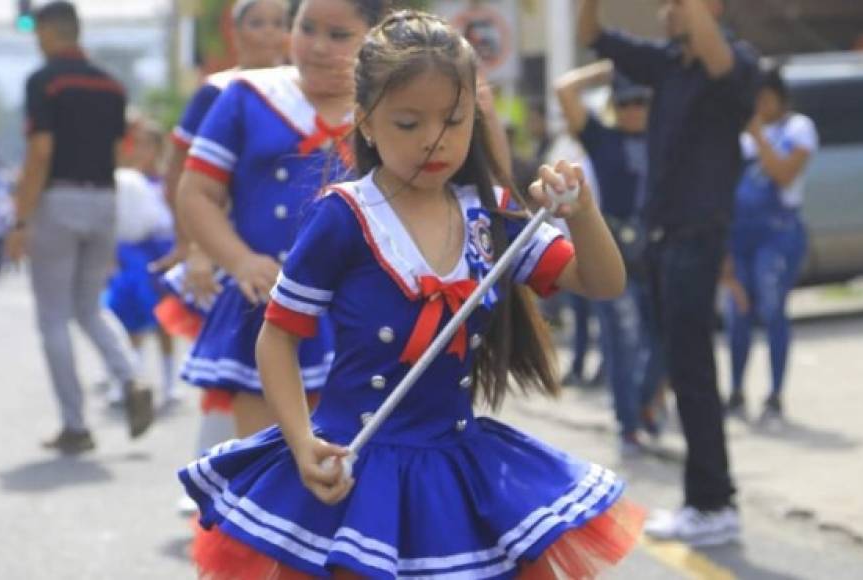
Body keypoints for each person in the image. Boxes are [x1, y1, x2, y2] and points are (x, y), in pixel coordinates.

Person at [179, 11, 642, 578]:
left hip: (458, 468)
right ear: (367, 123)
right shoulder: (345, 214)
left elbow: (602, 282)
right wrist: (303, 445)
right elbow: (277, 340)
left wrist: (584, 213)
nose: (433, 140)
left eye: (454, 120)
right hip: (356, 471)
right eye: (407, 123)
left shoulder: (489, 213)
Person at [579, 0, 758, 545]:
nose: (664, 11)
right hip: (662, 243)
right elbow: (593, 33)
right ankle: (708, 500)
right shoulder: (666, 64)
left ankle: (712, 503)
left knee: (694, 373)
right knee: (685, 372)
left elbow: (718, 52)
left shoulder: (736, 67)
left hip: (696, 238)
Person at [176, 0, 391, 439]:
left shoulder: (393, 106)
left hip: (367, 310)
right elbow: (196, 192)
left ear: (373, 37)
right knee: (268, 461)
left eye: (338, 36)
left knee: (360, 461)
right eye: (306, 28)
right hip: (269, 304)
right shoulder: (247, 95)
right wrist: (239, 261)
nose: (315, 46)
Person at [150, 0, 291, 516]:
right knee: (235, 369)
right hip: (235, 250)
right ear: (236, 30)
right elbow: (181, 173)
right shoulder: (218, 91)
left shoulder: (305, 92)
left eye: (279, 22)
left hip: (297, 257)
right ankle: (213, 482)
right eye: (257, 21)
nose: (269, 33)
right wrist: (197, 248)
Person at [4, 1, 154, 454]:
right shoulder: (110, 84)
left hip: (59, 201)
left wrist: (21, 220)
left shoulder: (44, 81)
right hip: (102, 200)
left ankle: (75, 424)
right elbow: (114, 154)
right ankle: (129, 376)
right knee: (88, 306)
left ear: (51, 31)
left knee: (53, 315)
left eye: (38, 31)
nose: (36, 39)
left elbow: (40, 153)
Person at [555, 60, 665, 455]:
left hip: (659, 251)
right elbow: (565, 89)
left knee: (667, 339)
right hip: (617, 253)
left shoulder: (664, 135)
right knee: (622, 341)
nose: (634, 108)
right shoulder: (603, 139)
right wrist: (612, 65)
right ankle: (629, 425)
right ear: (615, 106)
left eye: (641, 100)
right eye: (626, 102)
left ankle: (647, 403)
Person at [722, 68, 818, 424]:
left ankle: (775, 394)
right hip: (740, 234)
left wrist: (759, 136)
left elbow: (783, 173)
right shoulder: (741, 136)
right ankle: (735, 390)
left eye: (766, 98)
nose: (760, 105)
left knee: (772, 309)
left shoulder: (798, 129)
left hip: (778, 234)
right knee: (737, 315)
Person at [105, 122, 178, 406]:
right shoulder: (127, 181)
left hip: (161, 251)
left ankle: (169, 382)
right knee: (130, 316)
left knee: (164, 317)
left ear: (159, 148)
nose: (141, 151)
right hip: (132, 254)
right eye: (137, 144)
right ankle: (129, 380)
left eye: (148, 144)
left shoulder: (166, 182)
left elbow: (178, 216)